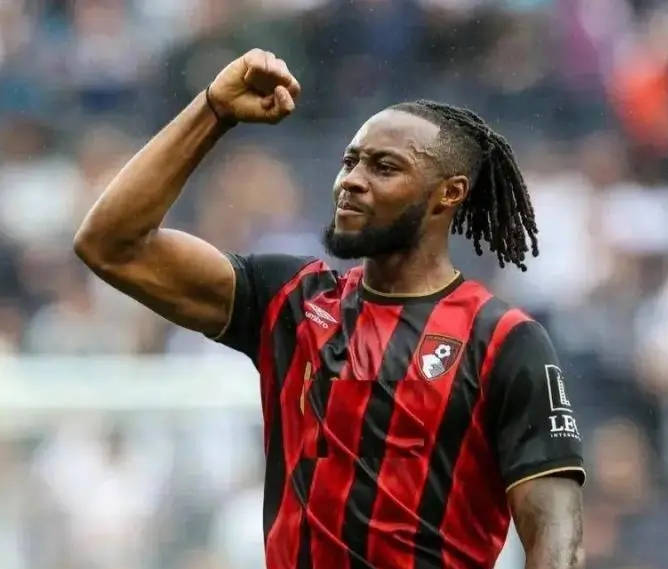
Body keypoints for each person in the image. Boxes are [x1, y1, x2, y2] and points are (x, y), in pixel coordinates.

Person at [75, 49, 585, 569]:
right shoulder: (292, 301)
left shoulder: (501, 339)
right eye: (350, 161)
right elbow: (112, 244)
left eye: (384, 167)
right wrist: (213, 111)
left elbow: (555, 536)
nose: (351, 181)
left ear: (448, 194)